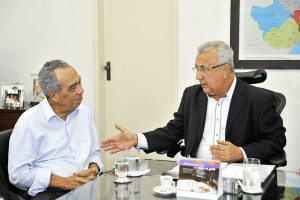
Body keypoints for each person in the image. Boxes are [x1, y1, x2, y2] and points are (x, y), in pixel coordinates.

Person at [101, 40, 286, 164]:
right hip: (194, 174)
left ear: (224, 70)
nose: (198, 76)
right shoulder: (192, 95)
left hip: (237, 176)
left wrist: (241, 152)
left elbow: (276, 140)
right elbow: (173, 131)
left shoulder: (260, 99)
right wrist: (137, 139)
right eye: (197, 69)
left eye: (204, 69)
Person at [8, 60, 103, 199]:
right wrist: (63, 182)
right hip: (50, 191)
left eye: (79, 82)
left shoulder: (84, 112)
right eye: (72, 88)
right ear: (53, 95)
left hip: (86, 186)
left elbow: (94, 152)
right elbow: (18, 174)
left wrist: (93, 169)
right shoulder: (29, 121)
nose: (81, 90)